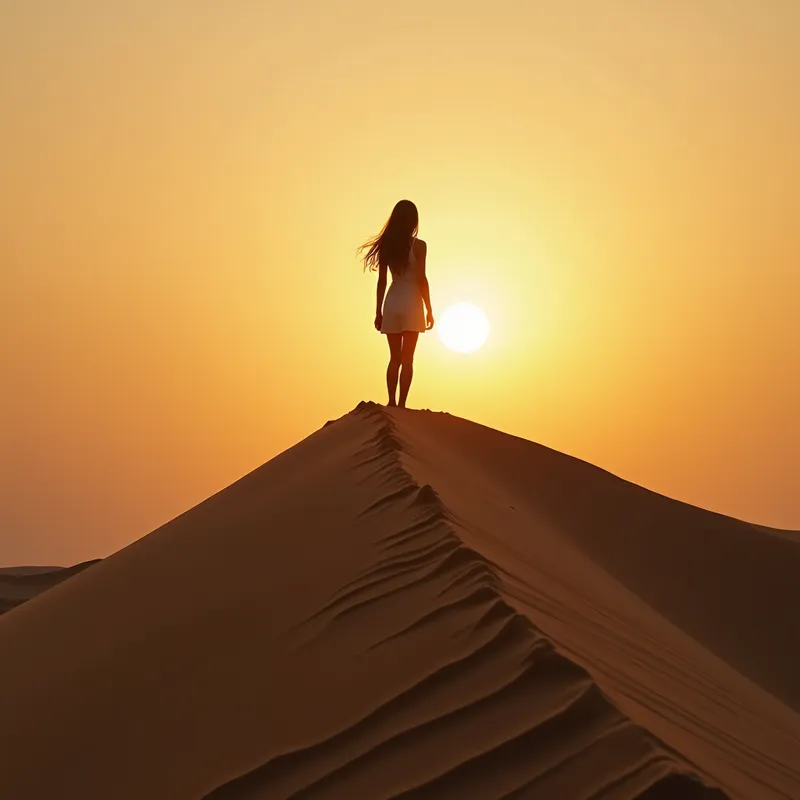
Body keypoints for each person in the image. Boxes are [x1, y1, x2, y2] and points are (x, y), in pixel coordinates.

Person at [360, 200, 434, 408]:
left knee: (394, 359)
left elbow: (382, 281)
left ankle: (391, 401)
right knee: (408, 359)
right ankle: (401, 404)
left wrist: (378, 311)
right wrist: (429, 309)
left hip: (392, 301)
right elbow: (421, 279)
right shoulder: (419, 246)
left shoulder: (388, 245)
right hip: (411, 302)